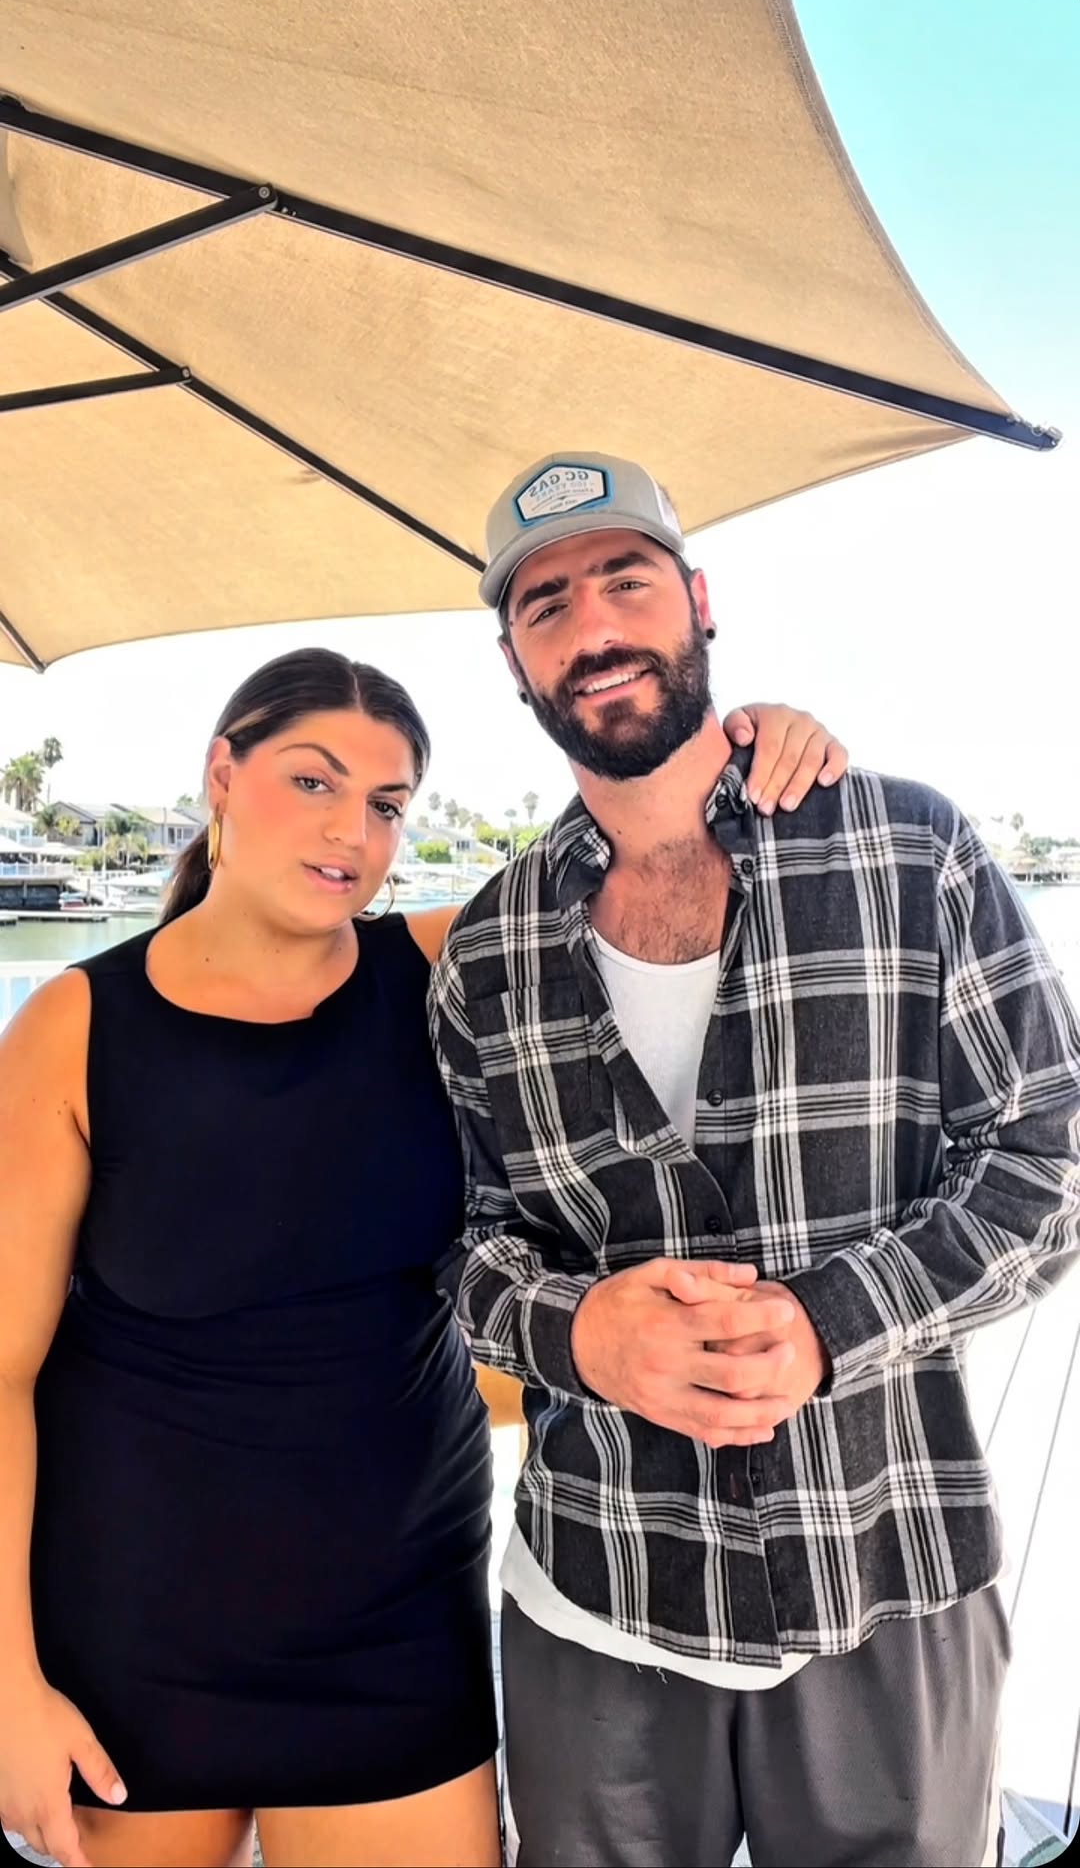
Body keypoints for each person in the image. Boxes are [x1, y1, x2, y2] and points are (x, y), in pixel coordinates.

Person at [0, 644, 844, 1868]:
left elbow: (647, 859)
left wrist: (745, 748)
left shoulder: (447, 970)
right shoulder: (74, 1027)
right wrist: (9, 1682)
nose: (352, 829)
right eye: (313, 780)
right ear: (222, 774)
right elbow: (3, 1372)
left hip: (392, 1622)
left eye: (387, 803)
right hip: (127, 1625)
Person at [429, 452, 1080, 1868]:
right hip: (598, 1589)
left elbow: (1050, 1156)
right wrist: (580, 1331)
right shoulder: (485, 949)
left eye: (627, 579)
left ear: (699, 599)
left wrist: (832, 1322)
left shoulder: (911, 850)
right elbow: (463, 1244)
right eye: (547, 605)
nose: (594, 627)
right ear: (513, 662)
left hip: (885, 1564)